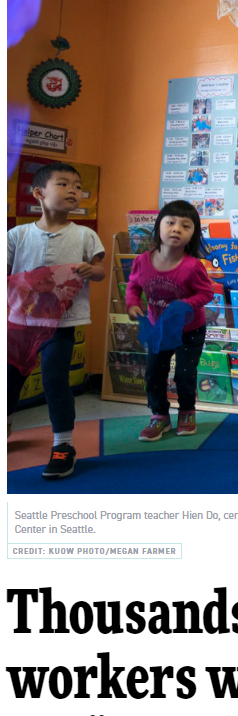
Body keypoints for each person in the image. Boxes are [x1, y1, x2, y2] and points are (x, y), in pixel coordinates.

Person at [7, 162, 106, 479]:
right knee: (8, 382)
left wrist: (93, 270)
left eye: (78, 187)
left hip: (61, 326)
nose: (74, 191)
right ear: (39, 193)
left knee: (54, 382)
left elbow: (101, 269)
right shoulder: (18, 235)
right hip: (19, 325)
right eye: (64, 184)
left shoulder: (85, 235)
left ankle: (63, 445)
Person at [126, 200, 214, 441]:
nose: (176, 229)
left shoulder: (193, 266)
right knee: (154, 373)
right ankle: (159, 416)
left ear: (193, 234)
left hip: (190, 330)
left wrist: (186, 304)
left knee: (185, 374)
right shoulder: (142, 261)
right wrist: (132, 305)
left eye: (185, 226)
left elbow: (207, 293)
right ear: (159, 227)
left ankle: (186, 412)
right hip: (158, 329)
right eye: (171, 223)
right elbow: (133, 286)